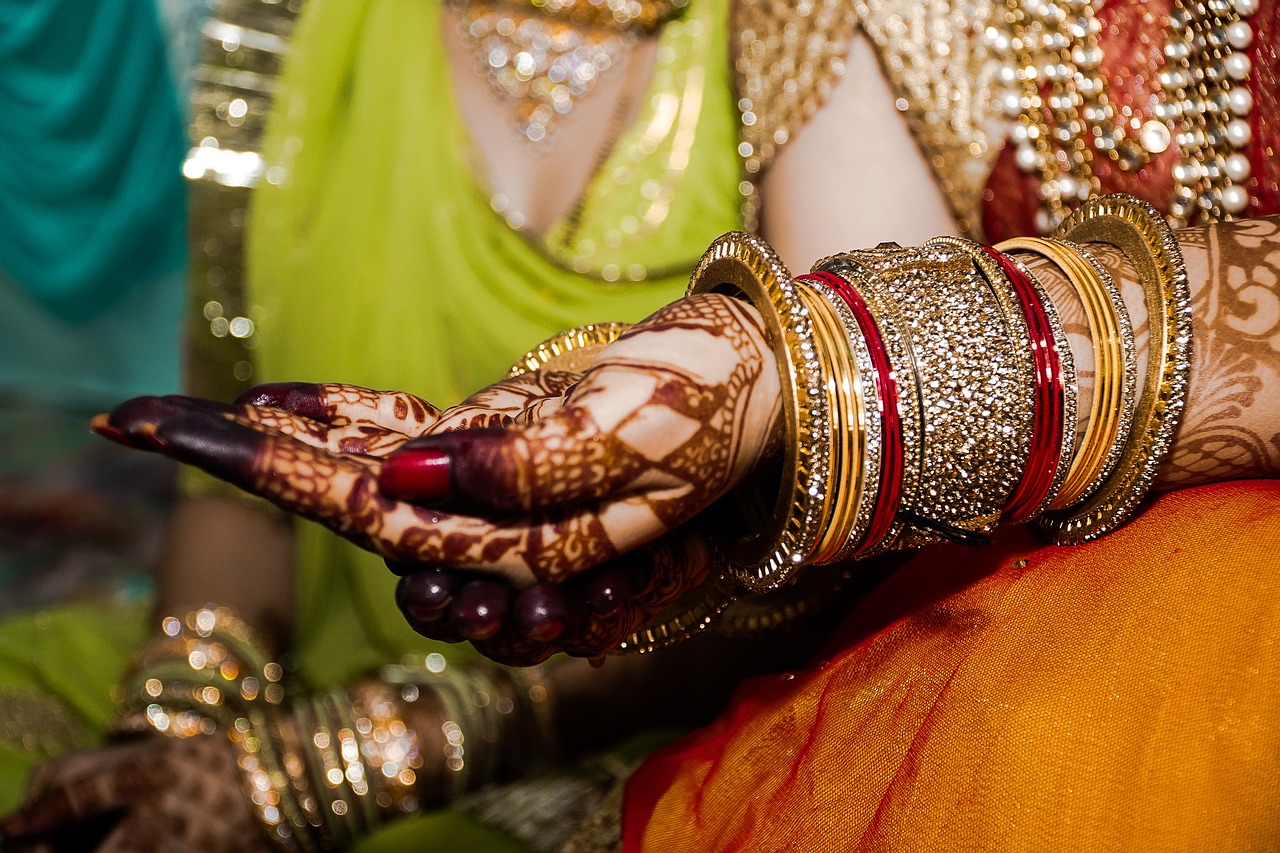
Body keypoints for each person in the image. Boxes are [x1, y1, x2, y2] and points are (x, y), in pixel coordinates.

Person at [7, 0, 1280, 850]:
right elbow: (236, 451)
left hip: (616, 729)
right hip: (297, 651)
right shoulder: (295, 25)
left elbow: (837, 529)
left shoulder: (794, 37)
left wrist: (337, 765)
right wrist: (182, 706)